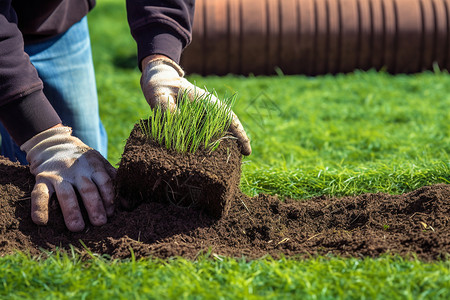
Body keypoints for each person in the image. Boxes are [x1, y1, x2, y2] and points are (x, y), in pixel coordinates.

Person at [0, 0, 251, 232]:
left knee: (87, 179)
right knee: (32, 182)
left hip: (55, 23)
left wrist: (161, 58)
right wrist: (44, 140)